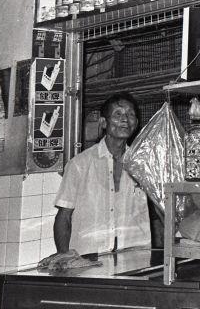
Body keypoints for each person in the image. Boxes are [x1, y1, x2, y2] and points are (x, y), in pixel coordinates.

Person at [52, 92, 151, 256]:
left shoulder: (142, 164)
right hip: (89, 259)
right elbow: (64, 217)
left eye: (131, 115)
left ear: (137, 123)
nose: (125, 119)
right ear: (104, 122)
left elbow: (162, 205)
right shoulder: (79, 164)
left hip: (136, 257)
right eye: (118, 114)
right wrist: (64, 257)